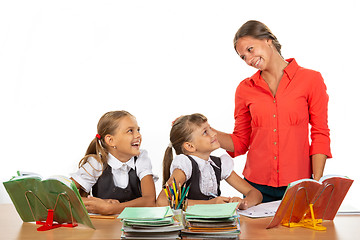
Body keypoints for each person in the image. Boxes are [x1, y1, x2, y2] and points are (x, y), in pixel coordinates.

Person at [213, 20, 332, 202]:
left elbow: (320, 133)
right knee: (255, 232)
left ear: (268, 40)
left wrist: (316, 181)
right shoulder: (245, 89)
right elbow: (240, 142)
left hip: (299, 185)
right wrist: (201, 130)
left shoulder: (311, 80)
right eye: (243, 57)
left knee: (300, 232)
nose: (248, 59)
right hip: (256, 188)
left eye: (250, 49)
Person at [156, 113, 262, 209]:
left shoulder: (218, 164)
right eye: (205, 132)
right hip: (190, 227)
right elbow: (162, 201)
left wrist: (243, 202)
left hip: (213, 227)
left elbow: (256, 194)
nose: (214, 134)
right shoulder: (185, 165)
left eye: (210, 128)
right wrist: (210, 204)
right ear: (190, 146)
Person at [71, 110, 156, 215]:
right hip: (103, 228)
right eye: (130, 131)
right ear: (111, 140)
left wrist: (111, 208)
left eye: (138, 130)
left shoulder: (141, 158)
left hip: (135, 226)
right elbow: (62, 195)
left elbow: (150, 200)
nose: (138, 135)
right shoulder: (96, 163)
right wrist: (99, 203)